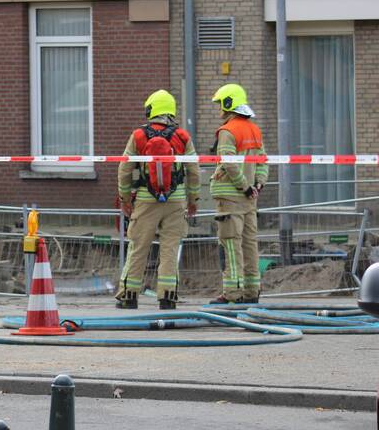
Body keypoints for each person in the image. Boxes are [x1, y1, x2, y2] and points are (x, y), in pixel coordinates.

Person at [115, 90, 200, 310]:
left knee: (138, 247)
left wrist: (124, 198)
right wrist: (193, 199)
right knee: (170, 249)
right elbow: (193, 170)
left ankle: (129, 295)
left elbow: (124, 168)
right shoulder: (182, 136)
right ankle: (167, 297)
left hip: (145, 199)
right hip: (177, 200)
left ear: (150, 109)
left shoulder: (139, 136)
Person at [208, 84, 269, 305]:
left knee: (230, 245)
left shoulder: (228, 131)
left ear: (228, 103)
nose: (219, 110)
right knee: (250, 244)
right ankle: (252, 291)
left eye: (220, 104)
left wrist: (244, 186)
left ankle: (232, 293)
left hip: (230, 198)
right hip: (249, 199)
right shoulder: (254, 130)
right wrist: (258, 185)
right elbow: (262, 162)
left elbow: (229, 162)